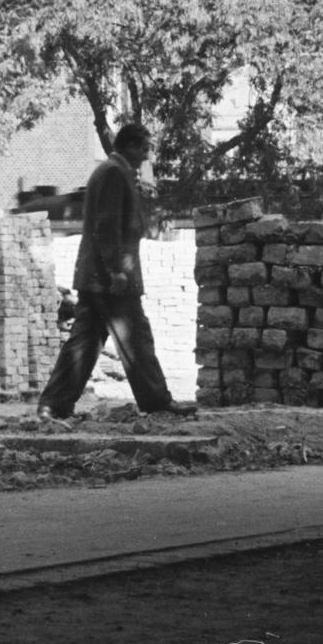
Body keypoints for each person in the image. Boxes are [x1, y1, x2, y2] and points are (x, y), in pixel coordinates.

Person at [37, 122, 197, 420]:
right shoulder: (113, 173)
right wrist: (116, 271)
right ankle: (157, 401)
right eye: (146, 148)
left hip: (96, 278)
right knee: (137, 338)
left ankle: (54, 405)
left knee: (84, 343)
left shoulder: (113, 171)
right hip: (111, 280)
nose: (148, 155)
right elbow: (106, 226)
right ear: (132, 146)